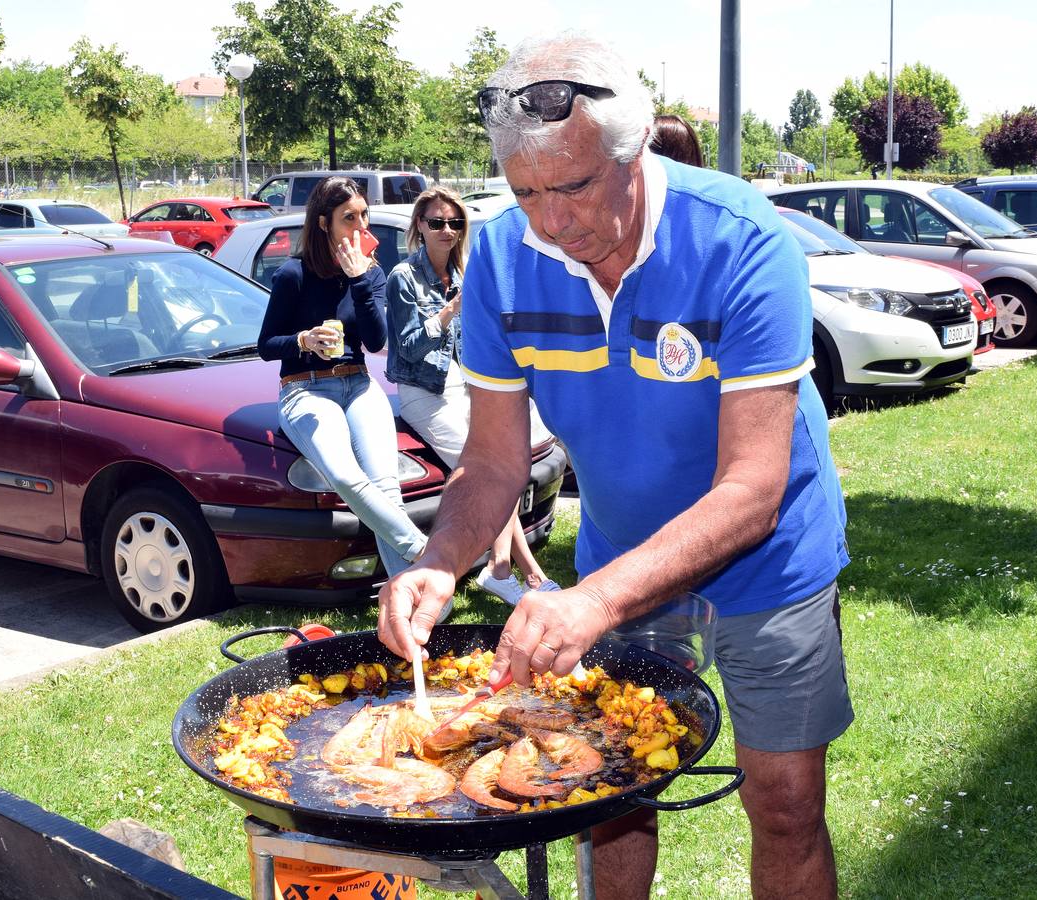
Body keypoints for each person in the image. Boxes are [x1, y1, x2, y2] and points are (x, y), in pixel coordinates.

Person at [378, 32, 851, 900]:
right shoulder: (498, 260)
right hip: (620, 549)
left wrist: (591, 601)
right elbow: (489, 464)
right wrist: (436, 562)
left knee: (785, 802)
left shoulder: (743, 239)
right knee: (605, 790)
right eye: (526, 194)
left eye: (574, 185)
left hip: (769, 558)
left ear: (632, 152)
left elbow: (753, 491)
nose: (552, 222)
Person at [385, 186, 559, 605]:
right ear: (419, 227)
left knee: (500, 462)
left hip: (463, 387)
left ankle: (504, 570)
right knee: (485, 474)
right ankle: (523, 572)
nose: (447, 230)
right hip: (423, 392)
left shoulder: (463, 274)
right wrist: (448, 312)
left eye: (455, 222)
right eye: (437, 222)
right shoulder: (403, 278)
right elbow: (407, 346)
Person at [258, 175, 430, 586]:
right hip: (305, 388)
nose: (361, 226)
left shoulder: (369, 274)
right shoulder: (293, 274)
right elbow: (266, 344)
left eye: (363, 215)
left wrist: (359, 281)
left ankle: (421, 605)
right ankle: (424, 552)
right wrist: (303, 339)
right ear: (324, 224)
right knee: (346, 476)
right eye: (348, 218)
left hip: (359, 384)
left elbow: (374, 340)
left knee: (386, 488)